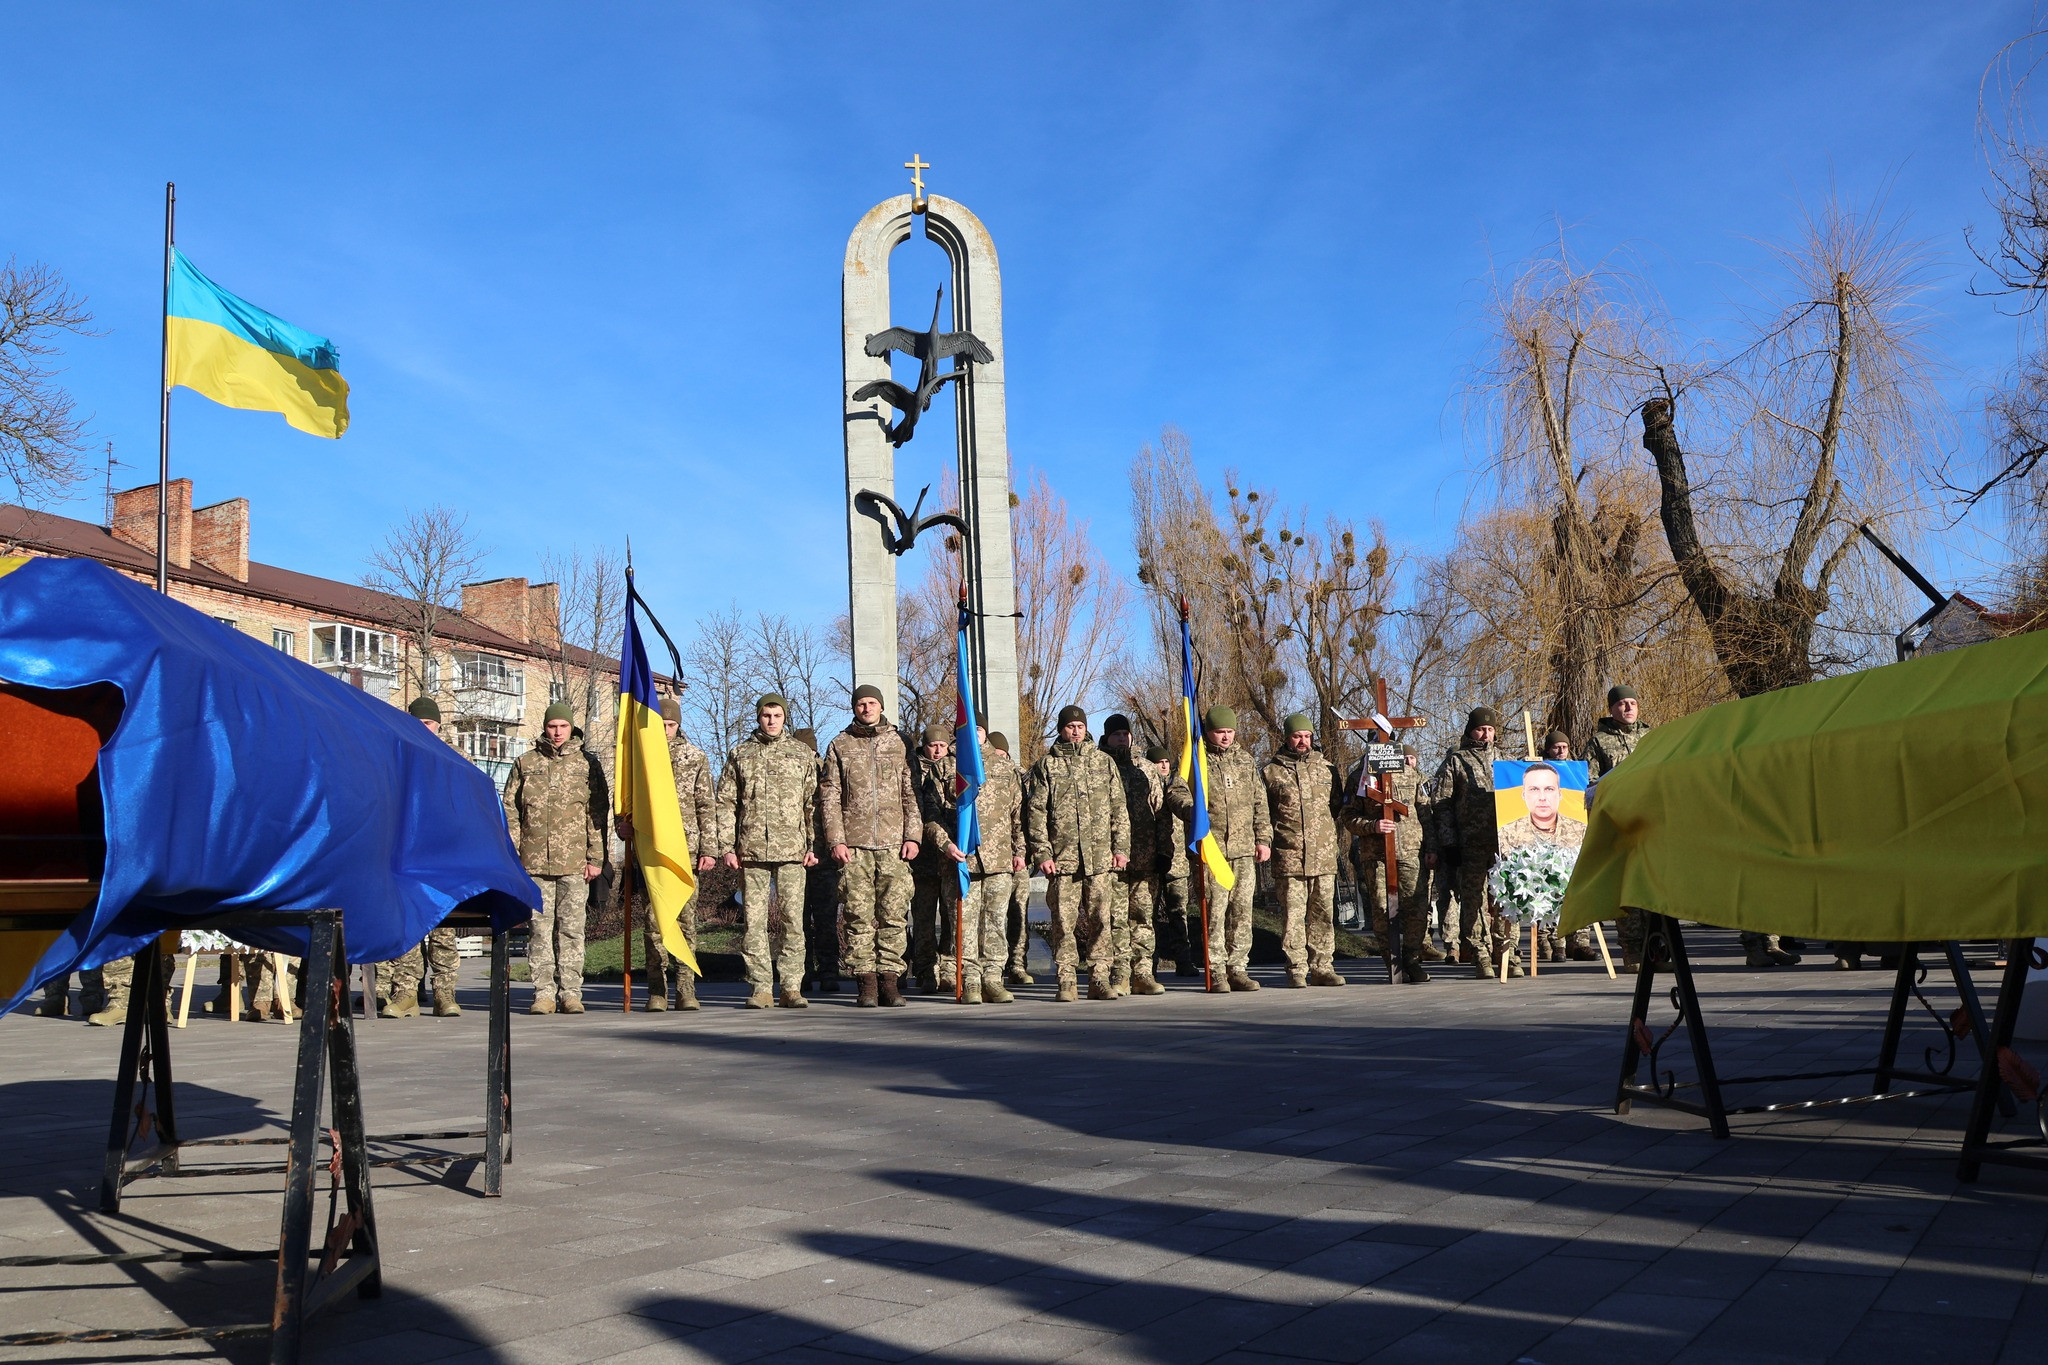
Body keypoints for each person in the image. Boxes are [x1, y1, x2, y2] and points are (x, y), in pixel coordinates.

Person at [502, 701, 608, 1014]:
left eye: (562, 726)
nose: (557, 732)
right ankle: (544, 993)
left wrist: (596, 857)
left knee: (572, 930)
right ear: (545, 728)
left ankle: (571, 993)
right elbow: (510, 808)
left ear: (571, 727)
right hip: (534, 862)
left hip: (575, 863)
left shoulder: (587, 764)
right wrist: (516, 851)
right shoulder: (526, 762)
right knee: (539, 929)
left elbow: (597, 813)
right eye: (552, 726)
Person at [819, 684, 921, 1007]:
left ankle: (890, 981)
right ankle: (866, 984)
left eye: (872, 703)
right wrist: (836, 839)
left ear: (881, 705)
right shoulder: (840, 745)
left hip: (894, 844)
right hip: (855, 845)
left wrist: (913, 836)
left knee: (894, 915)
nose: (866, 708)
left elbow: (912, 794)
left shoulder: (901, 744)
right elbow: (829, 797)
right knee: (857, 916)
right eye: (861, 704)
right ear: (854, 708)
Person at [715, 694, 819, 1009]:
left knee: (792, 920)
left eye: (776, 715)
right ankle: (761, 987)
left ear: (785, 717)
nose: (771, 721)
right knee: (754, 920)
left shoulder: (801, 754)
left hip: (792, 850)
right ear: (758, 717)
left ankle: (790, 987)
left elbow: (810, 804)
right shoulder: (740, 754)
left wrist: (813, 845)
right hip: (752, 850)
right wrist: (726, 845)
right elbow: (726, 802)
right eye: (766, 715)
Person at [1026, 705, 1130, 1001]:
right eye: (1070, 726)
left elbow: (1119, 811)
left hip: (1099, 858)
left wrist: (1121, 849)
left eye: (1080, 726)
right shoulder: (1046, 766)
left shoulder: (1103, 763)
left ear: (1086, 729)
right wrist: (1043, 854)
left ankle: (1099, 978)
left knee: (1101, 919)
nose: (1075, 731)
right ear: (1061, 729)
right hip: (1063, 859)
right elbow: (1035, 814)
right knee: (1063, 922)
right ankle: (1067, 980)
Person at [624, 696, 719, 1011]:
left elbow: (706, 806)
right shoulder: (640, 758)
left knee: (686, 922)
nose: (665, 730)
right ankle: (657, 991)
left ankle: (686, 990)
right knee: (653, 923)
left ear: (678, 725)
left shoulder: (695, 757)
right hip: (651, 851)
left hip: (685, 851)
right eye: (661, 724)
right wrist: (620, 825)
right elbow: (624, 797)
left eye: (671, 724)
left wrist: (709, 848)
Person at [922, 717, 1026, 1003]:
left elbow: (1018, 815)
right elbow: (930, 815)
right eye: (967, 730)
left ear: (985, 733)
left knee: (995, 923)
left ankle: (993, 978)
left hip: (998, 860)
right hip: (959, 860)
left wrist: (1019, 852)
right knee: (963, 925)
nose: (973, 735)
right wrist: (946, 845)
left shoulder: (1005, 768)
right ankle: (970, 981)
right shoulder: (945, 768)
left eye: (978, 729)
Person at [1262, 714, 1347, 988]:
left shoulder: (1328, 769)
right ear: (1287, 737)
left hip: (1322, 855)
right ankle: (1296, 968)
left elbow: (1336, 808)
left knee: (1323, 914)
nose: (1303, 741)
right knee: (1294, 916)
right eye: (1297, 736)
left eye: (1307, 736)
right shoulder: (1270, 772)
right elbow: (1264, 813)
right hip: (1290, 856)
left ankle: (1322, 967)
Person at [1431, 707, 1515, 978]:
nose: (1486, 734)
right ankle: (1480, 953)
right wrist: (1449, 842)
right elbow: (1441, 804)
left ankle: (1507, 953)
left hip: (1502, 843)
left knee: (1503, 899)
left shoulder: (1505, 761)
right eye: (1481, 729)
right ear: (1470, 731)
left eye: (1490, 729)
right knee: (1474, 900)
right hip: (1470, 843)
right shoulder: (1457, 761)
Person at [1344, 737, 1430, 983]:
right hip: (1377, 854)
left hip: (1410, 850)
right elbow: (1348, 816)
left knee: (1417, 907)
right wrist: (1372, 825)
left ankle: (1412, 958)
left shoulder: (1411, 775)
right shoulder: (1359, 778)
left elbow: (1425, 811)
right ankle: (1392, 962)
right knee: (1382, 910)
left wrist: (1432, 847)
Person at [1200, 706, 1271, 993]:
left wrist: (1263, 839)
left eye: (1230, 731)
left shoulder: (1245, 761)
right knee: (1216, 913)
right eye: (1220, 732)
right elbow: (1178, 791)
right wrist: (1191, 811)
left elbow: (1260, 803)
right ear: (1208, 732)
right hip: (1213, 850)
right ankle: (1216, 970)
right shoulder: (1197, 761)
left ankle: (1237, 968)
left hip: (1243, 850)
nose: (1226, 737)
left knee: (1242, 911)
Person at [1101, 715, 1168, 996]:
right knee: (1115, 918)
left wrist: (1165, 849)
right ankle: (1121, 974)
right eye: (1116, 734)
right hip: (1111, 857)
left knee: (1142, 916)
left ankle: (1143, 973)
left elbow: (1161, 811)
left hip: (1144, 855)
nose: (1122, 739)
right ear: (1106, 737)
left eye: (1125, 734)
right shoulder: (1099, 765)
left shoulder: (1146, 768)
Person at [1497, 761, 1586, 963]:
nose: (1542, 797)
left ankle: (1569, 943)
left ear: (1560, 794)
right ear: (1523, 795)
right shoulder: (1508, 833)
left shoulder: (1580, 831)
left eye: (1549, 789)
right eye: (1534, 789)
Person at [793, 728, 843, 996]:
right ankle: (801, 973)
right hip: (796, 857)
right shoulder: (792, 772)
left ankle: (828, 972)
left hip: (824, 859)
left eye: (809, 750)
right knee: (797, 921)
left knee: (825, 919)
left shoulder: (828, 774)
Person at [909, 723, 956, 994]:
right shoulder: (913, 769)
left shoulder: (954, 769)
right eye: (932, 745)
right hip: (923, 858)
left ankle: (949, 968)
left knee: (951, 917)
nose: (937, 750)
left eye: (942, 745)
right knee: (924, 918)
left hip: (950, 856)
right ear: (923, 746)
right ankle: (926, 969)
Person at [988, 733, 1037, 986]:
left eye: (1001, 754)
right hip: (991, 857)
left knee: (1018, 912)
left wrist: (1027, 852)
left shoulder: (1021, 777)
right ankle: (990, 967)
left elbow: (1029, 816)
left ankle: (1017, 964)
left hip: (1018, 856)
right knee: (992, 914)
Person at [1149, 744, 1199, 978]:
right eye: (1159, 762)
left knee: (1178, 914)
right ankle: (1149, 964)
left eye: (1167, 762)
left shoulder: (1178, 788)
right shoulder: (1145, 787)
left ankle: (1184, 961)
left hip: (1177, 862)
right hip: (1151, 862)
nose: (1164, 766)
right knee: (1147, 917)